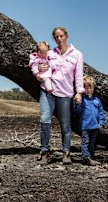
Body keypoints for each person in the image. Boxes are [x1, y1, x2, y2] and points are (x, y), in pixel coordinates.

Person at [33, 26, 84, 165]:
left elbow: (78, 76)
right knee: (44, 120)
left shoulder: (77, 54)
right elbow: (37, 61)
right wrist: (38, 70)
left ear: (66, 36)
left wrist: (79, 92)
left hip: (65, 93)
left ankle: (66, 153)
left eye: (61, 36)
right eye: (56, 37)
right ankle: (44, 152)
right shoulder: (50, 53)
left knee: (65, 124)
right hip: (47, 91)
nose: (59, 39)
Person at [73, 75, 105, 166]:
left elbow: (101, 112)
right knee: (85, 142)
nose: (88, 90)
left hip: (95, 126)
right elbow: (77, 112)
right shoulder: (82, 99)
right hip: (85, 126)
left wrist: (101, 122)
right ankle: (85, 157)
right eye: (85, 87)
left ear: (93, 88)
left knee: (92, 143)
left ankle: (91, 156)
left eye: (89, 87)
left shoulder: (97, 100)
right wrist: (77, 104)